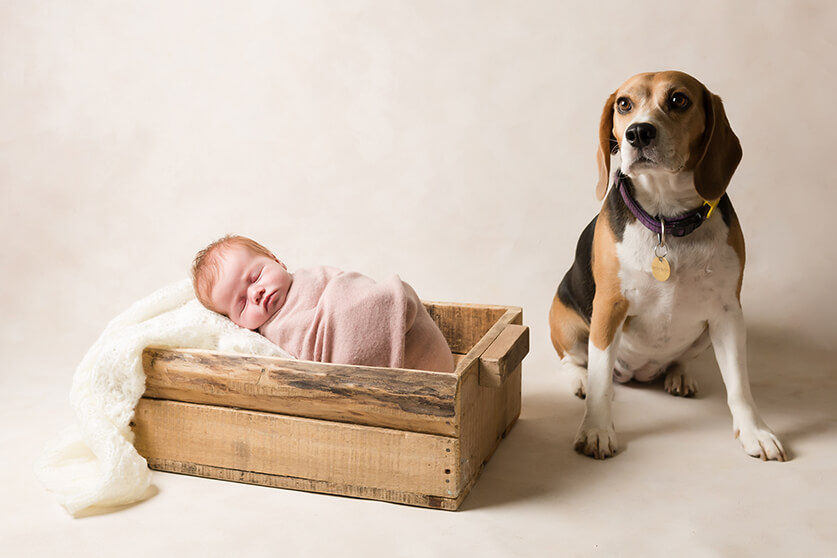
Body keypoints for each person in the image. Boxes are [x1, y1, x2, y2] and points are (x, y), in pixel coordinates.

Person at [192, 235, 455, 373]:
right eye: (241, 304)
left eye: (255, 276)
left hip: (410, 343)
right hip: (371, 375)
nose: (256, 294)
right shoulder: (266, 339)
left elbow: (355, 292)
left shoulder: (316, 276)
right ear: (235, 323)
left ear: (276, 260)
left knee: (390, 300)